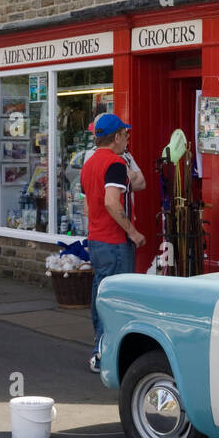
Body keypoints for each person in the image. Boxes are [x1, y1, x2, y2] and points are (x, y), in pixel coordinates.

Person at [81, 113, 145, 372]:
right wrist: (132, 232)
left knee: (101, 298)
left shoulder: (89, 163)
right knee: (118, 303)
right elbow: (111, 201)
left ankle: (99, 351)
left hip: (96, 240)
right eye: (126, 134)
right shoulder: (116, 163)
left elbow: (87, 207)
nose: (128, 138)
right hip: (115, 242)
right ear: (116, 137)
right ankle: (110, 357)